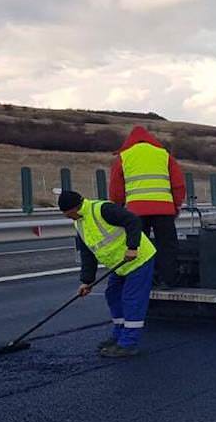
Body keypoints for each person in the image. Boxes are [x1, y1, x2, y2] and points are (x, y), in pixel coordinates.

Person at [59, 189, 156, 358]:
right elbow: (87, 253)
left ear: (76, 208)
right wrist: (86, 281)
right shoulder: (79, 223)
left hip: (139, 260)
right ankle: (119, 336)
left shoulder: (102, 209)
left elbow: (133, 221)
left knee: (131, 300)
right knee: (112, 295)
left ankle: (128, 344)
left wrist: (133, 247)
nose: (67, 218)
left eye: (68, 214)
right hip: (119, 265)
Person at [109, 126, 185, 288]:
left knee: (138, 248)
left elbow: (116, 188)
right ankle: (167, 280)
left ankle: (142, 281)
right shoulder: (163, 155)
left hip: (136, 212)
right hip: (164, 210)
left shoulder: (124, 157)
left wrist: (118, 208)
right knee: (167, 246)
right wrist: (176, 206)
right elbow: (178, 184)